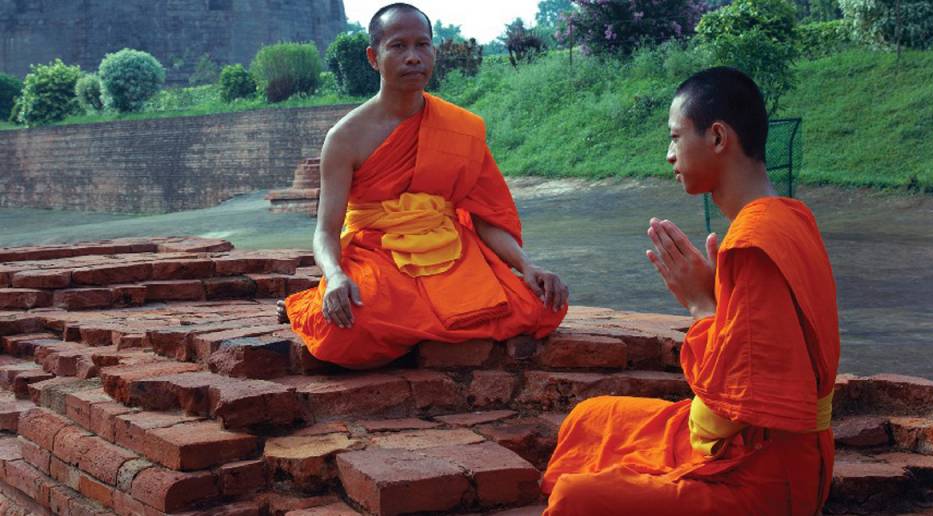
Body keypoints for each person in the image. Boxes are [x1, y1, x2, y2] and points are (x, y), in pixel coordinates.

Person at [541, 67, 840, 515]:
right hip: (735, 441)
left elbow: (741, 402)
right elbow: (761, 357)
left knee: (574, 499)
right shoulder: (791, 218)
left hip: (762, 476)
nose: (668, 155)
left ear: (718, 138)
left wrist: (701, 305)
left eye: (676, 137)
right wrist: (715, 300)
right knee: (592, 417)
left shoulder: (756, 242)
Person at [278, 3, 569, 369]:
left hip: (449, 249)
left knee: (539, 308)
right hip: (378, 252)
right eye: (398, 46)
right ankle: (312, 302)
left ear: (434, 51)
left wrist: (527, 266)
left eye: (423, 45)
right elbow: (326, 230)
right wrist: (335, 275)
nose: (413, 57)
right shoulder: (345, 138)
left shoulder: (461, 127)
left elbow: (484, 218)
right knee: (346, 331)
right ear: (373, 56)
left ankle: (414, 325)